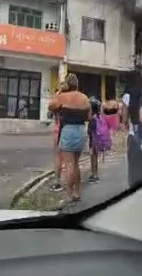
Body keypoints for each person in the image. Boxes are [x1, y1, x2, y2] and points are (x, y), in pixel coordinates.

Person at [47, 74, 91, 204]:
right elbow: (89, 117)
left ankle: (69, 195)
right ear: (77, 84)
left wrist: (60, 92)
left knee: (69, 164)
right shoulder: (84, 97)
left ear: (67, 84)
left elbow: (50, 106)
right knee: (76, 164)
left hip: (68, 130)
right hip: (81, 130)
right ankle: (77, 192)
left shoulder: (62, 97)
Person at [121, 71, 142, 188]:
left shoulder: (128, 95)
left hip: (135, 132)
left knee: (134, 163)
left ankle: (135, 186)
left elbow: (125, 117)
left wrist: (125, 125)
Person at [48, 81, 69, 192]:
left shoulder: (57, 100)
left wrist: (57, 95)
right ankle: (69, 182)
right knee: (70, 158)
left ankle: (57, 182)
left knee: (58, 158)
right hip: (70, 129)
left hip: (58, 129)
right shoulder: (71, 100)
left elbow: (49, 113)